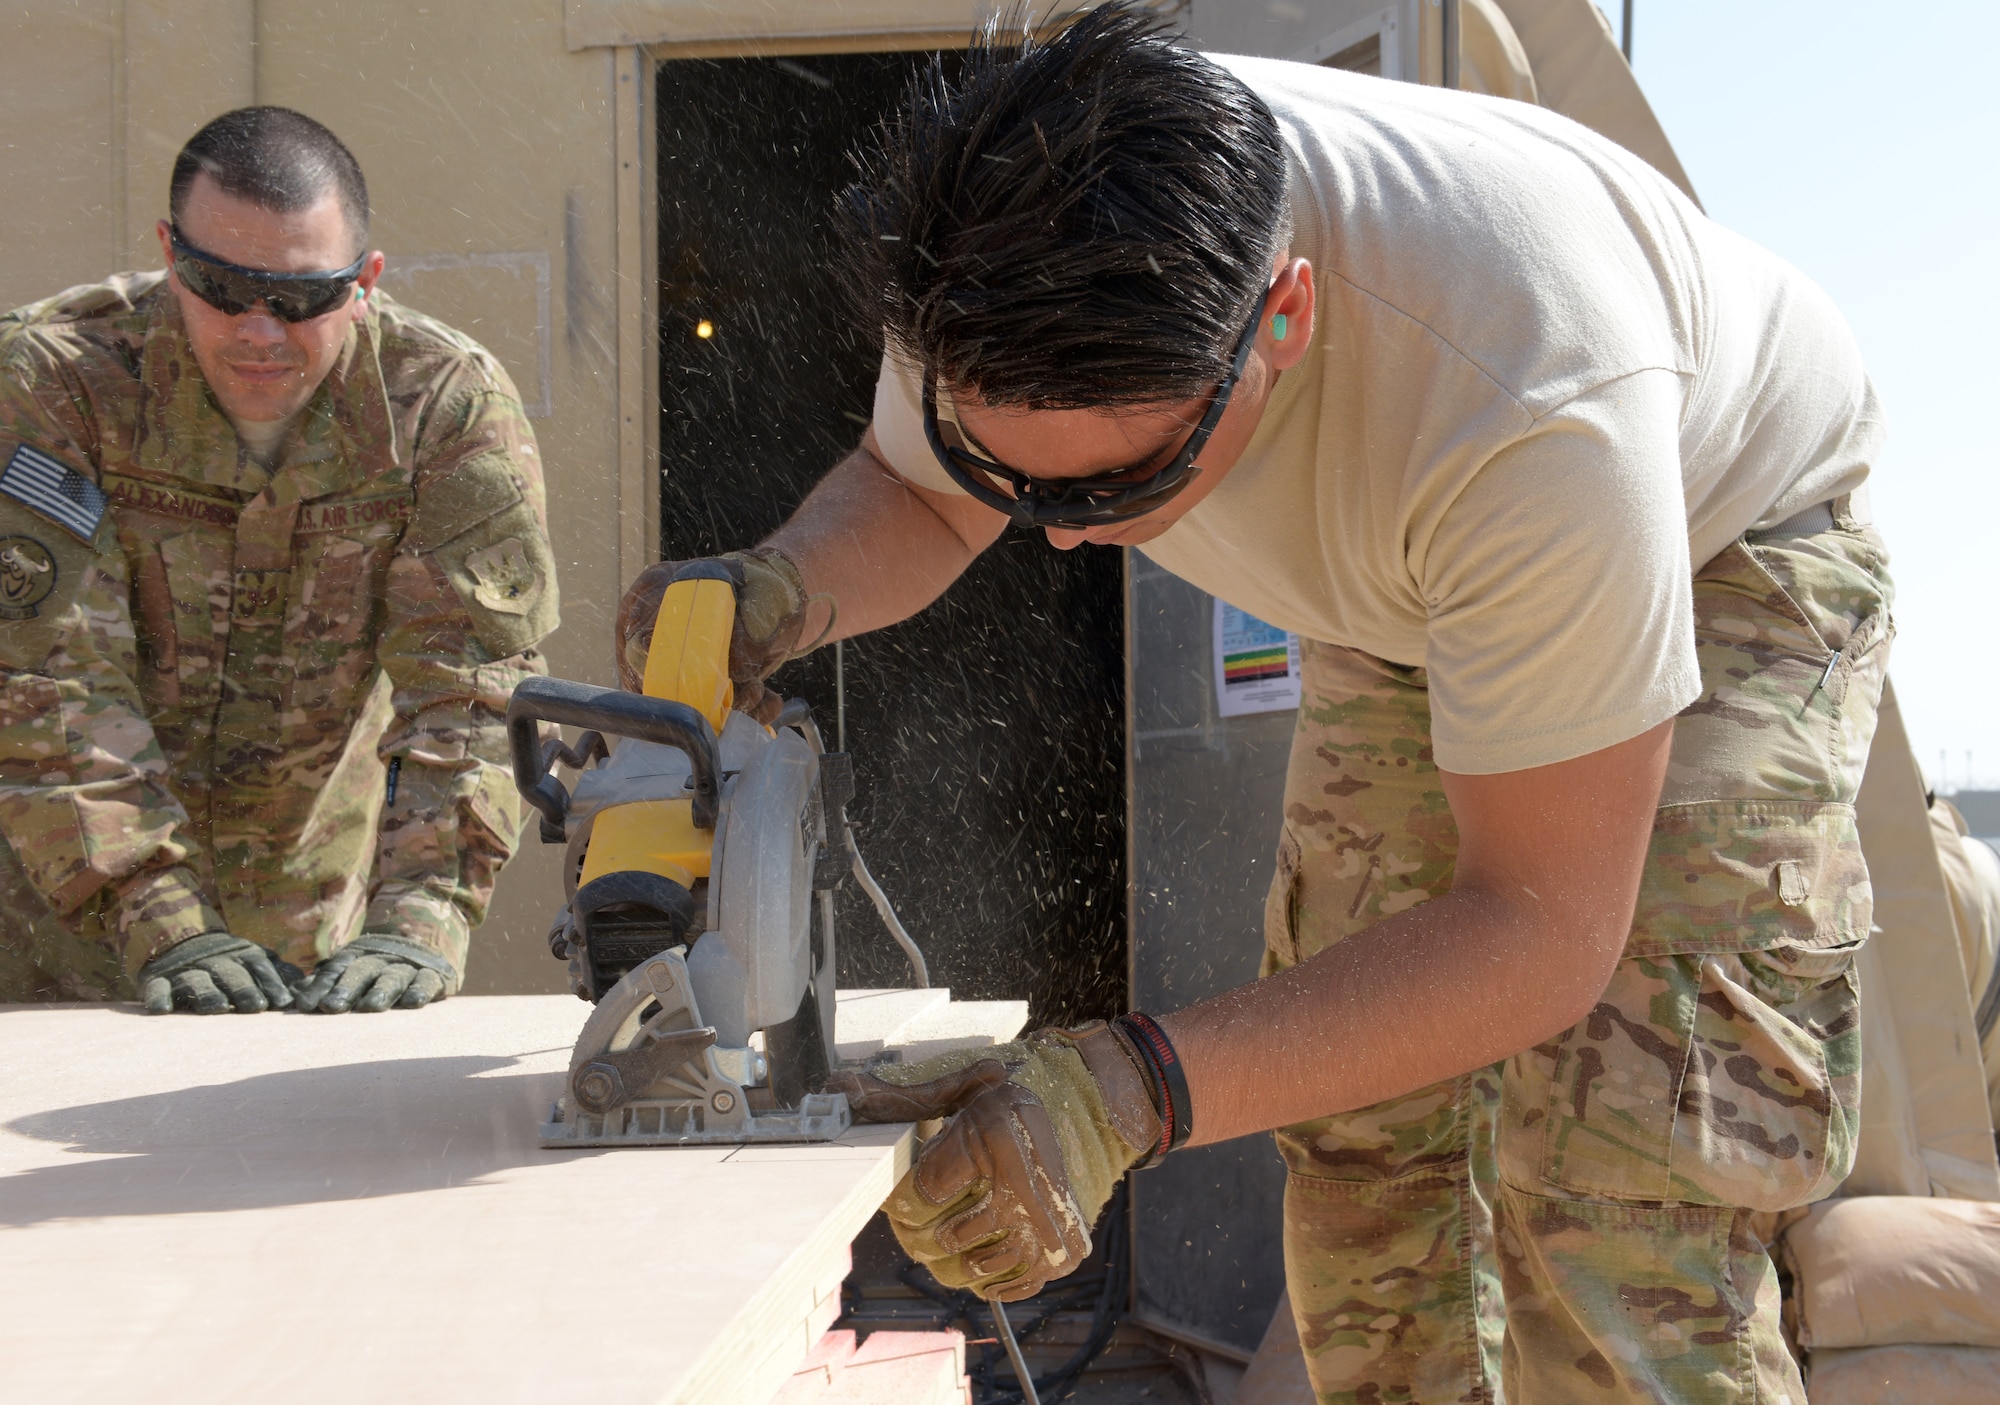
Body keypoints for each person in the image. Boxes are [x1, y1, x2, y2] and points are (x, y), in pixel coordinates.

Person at [616, 8, 1886, 1401]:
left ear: (1282, 318)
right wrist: (781, 588)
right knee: (1364, 1148)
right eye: (1017, 477)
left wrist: (1130, 1089)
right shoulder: (991, 260)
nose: (1056, 538)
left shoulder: (1536, 398)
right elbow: (923, 486)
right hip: (1411, 567)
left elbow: (1537, 930)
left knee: (1616, 1193)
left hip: (1720, 550)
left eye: (1114, 487)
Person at [0, 107, 558, 1016]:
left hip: (303, 955)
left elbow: (469, 688)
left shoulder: (439, 405)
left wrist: (419, 918)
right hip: (47, 946)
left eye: (300, 298)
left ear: (366, 280)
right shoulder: (56, 378)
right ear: (169, 255)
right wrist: (163, 917)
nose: (259, 331)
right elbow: (45, 677)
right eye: (221, 286)